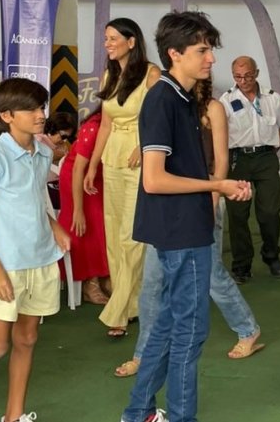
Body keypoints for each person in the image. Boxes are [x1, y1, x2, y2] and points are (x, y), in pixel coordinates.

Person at [120, 11, 251, 422]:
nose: (211, 58)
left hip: (182, 227)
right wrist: (217, 185)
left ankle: (138, 412)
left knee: (166, 325)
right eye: (202, 50)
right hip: (180, 230)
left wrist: (218, 185)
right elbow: (155, 179)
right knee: (189, 332)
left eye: (210, 49)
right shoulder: (164, 99)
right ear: (174, 54)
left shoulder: (181, 98)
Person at [113, 74, 264, 380]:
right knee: (153, 283)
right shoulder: (166, 105)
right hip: (167, 207)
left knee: (211, 276)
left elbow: (221, 161)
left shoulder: (213, 108)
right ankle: (144, 354)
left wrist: (213, 198)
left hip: (202, 200)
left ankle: (248, 329)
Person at [0, 78, 71, 422]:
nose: (40, 114)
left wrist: (54, 226)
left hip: (41, 259)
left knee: (27, 340)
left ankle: (14, 415)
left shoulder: (43, 152)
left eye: (41, 107)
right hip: (6, 265)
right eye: (31, 109)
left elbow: (33, 199)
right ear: (7, 115)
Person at [84, 18, 161, 338]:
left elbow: (162, 118)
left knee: (132, 236)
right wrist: (92, 166)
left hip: (139, 160)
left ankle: (118, 312)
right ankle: (132, 304)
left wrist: (144, 146)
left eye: (113, 38)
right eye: (106, 38)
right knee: (115, 236)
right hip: (112, 159)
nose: (108, 44)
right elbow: (105, 124)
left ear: (132, 42)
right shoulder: (110, 75)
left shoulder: (152, 75)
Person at [219, 56, 280, 283]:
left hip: (265, 156)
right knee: (238, 214)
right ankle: (242, 265)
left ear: (257, 73)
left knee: (270, 210)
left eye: (248, 76)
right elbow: (220, 133)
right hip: (238, 159)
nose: (243, 81)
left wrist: (271, 152)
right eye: (238, 77)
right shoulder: (226, 100)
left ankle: (271, 255)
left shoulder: (273, 98)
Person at [58, 106, 110, 305]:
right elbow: (78, 169)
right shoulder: (94, 126)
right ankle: (90, 282)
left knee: (103, 225)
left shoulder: (125, 123)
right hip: (76, 178)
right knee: (86, 225)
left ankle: (104, 276)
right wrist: (78, 210)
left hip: (99, 178)